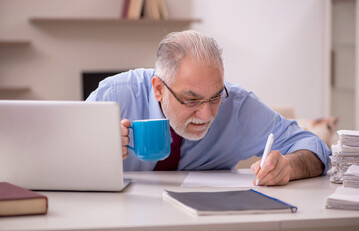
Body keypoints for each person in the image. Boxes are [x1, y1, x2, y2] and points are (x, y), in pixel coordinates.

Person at [87, 30, 331, 186]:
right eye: (191, 100)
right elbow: (57, 156)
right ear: (159, 89)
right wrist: (92, 150)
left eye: (215, 97)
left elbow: (315, 148)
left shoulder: (237, 106)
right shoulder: (115, 96)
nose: (206, 115)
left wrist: (288, 166)